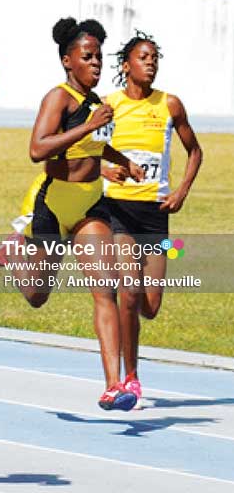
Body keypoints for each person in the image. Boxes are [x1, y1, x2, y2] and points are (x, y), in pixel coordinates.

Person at [0, 17, 145, 411]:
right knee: (37, 296)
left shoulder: (97, 105)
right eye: (87, 56)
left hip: (89, 207)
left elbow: (95, 147)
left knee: (105, 288)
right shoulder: (58, 99)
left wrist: (123, 161)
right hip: (53, 206)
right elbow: (37, 149)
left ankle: (114, 385)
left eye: (98, 57)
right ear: (67, 60)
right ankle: (13, 257)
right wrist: (89, 126)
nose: (95, 63)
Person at [101, 31, 202, 407]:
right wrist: (102, 169)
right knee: (127, 293)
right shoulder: (109, 105)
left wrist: (181, 192)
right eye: (144, 57)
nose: (151, 63)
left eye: (155, 57)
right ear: (126, 65)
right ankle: (131, 377)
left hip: (156, 215)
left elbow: (195, 152)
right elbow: (83, 151)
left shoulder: (170, 105)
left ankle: (131, 356)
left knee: (150, 304)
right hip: (120, 211)